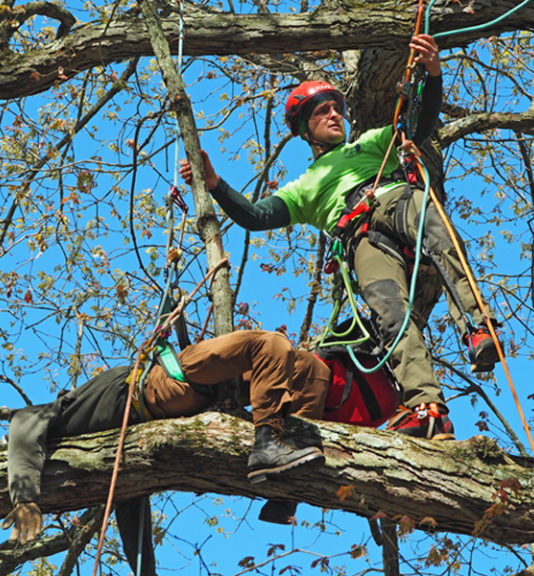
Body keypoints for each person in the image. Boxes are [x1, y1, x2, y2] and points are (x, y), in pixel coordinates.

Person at [180, 34, 501, 441]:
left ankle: (477, 327)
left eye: (337, 108)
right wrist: (215, 184)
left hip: (397, 199)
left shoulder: (370, 143)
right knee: (390, 316)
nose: (334, 115)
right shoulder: (303, 188)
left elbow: (418, 125)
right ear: (304, 129)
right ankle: (426, 405)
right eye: (322, 111)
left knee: (440, 238)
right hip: (360, 239)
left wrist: (432, 73)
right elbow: (255, 217)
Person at [3, 330, 331, 575]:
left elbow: (22, 422)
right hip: (174, 393)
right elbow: (130, 502)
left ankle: (280, 465)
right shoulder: (103, 450)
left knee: (310, 369)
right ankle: (273, 454)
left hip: (172, 381)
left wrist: (24, 496)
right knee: (273, 347)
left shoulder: (64, 413)